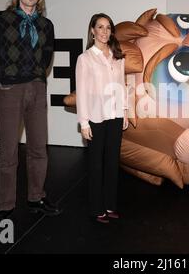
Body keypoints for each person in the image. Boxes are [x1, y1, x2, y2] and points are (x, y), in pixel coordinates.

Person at [0, 0, 61, 235]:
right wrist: (2, 80)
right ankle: (5, 208)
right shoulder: (0, 19)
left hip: (37, 89)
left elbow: (48, 54)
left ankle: (36, 197)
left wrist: (38, 77)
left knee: (39, 148)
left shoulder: (46, 25)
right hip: (9, 90)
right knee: (8, 153)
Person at [76, 13, 128, 224]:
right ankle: (96, 208)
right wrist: (84, 122)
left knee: (112, 163)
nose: (105, 31)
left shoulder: (117, 57)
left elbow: (122, 86)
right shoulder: (85, 58)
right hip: (96, 118)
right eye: (100, 27)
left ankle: (110, 205)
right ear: (92, 30)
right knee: (96, 165)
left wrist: (125, 111)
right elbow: (82, 92)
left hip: (115, 116)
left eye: (108, 28)